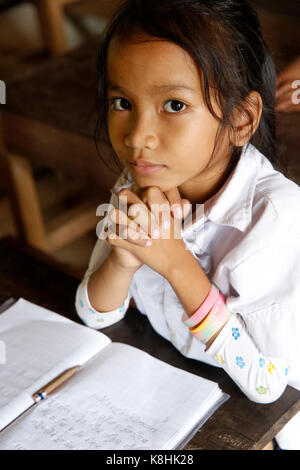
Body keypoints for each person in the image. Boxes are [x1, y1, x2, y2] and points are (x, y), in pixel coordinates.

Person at [75, 0, 300, 450]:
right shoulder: (141, 180)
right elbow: (94, 314)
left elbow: (267, 386)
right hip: (170, 384)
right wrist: (121, 260)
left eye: (173, 105)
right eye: (122, 102)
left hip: (261, 427)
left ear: (241, 119)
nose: (137, 136)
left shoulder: (276, 220)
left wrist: (176, 263)